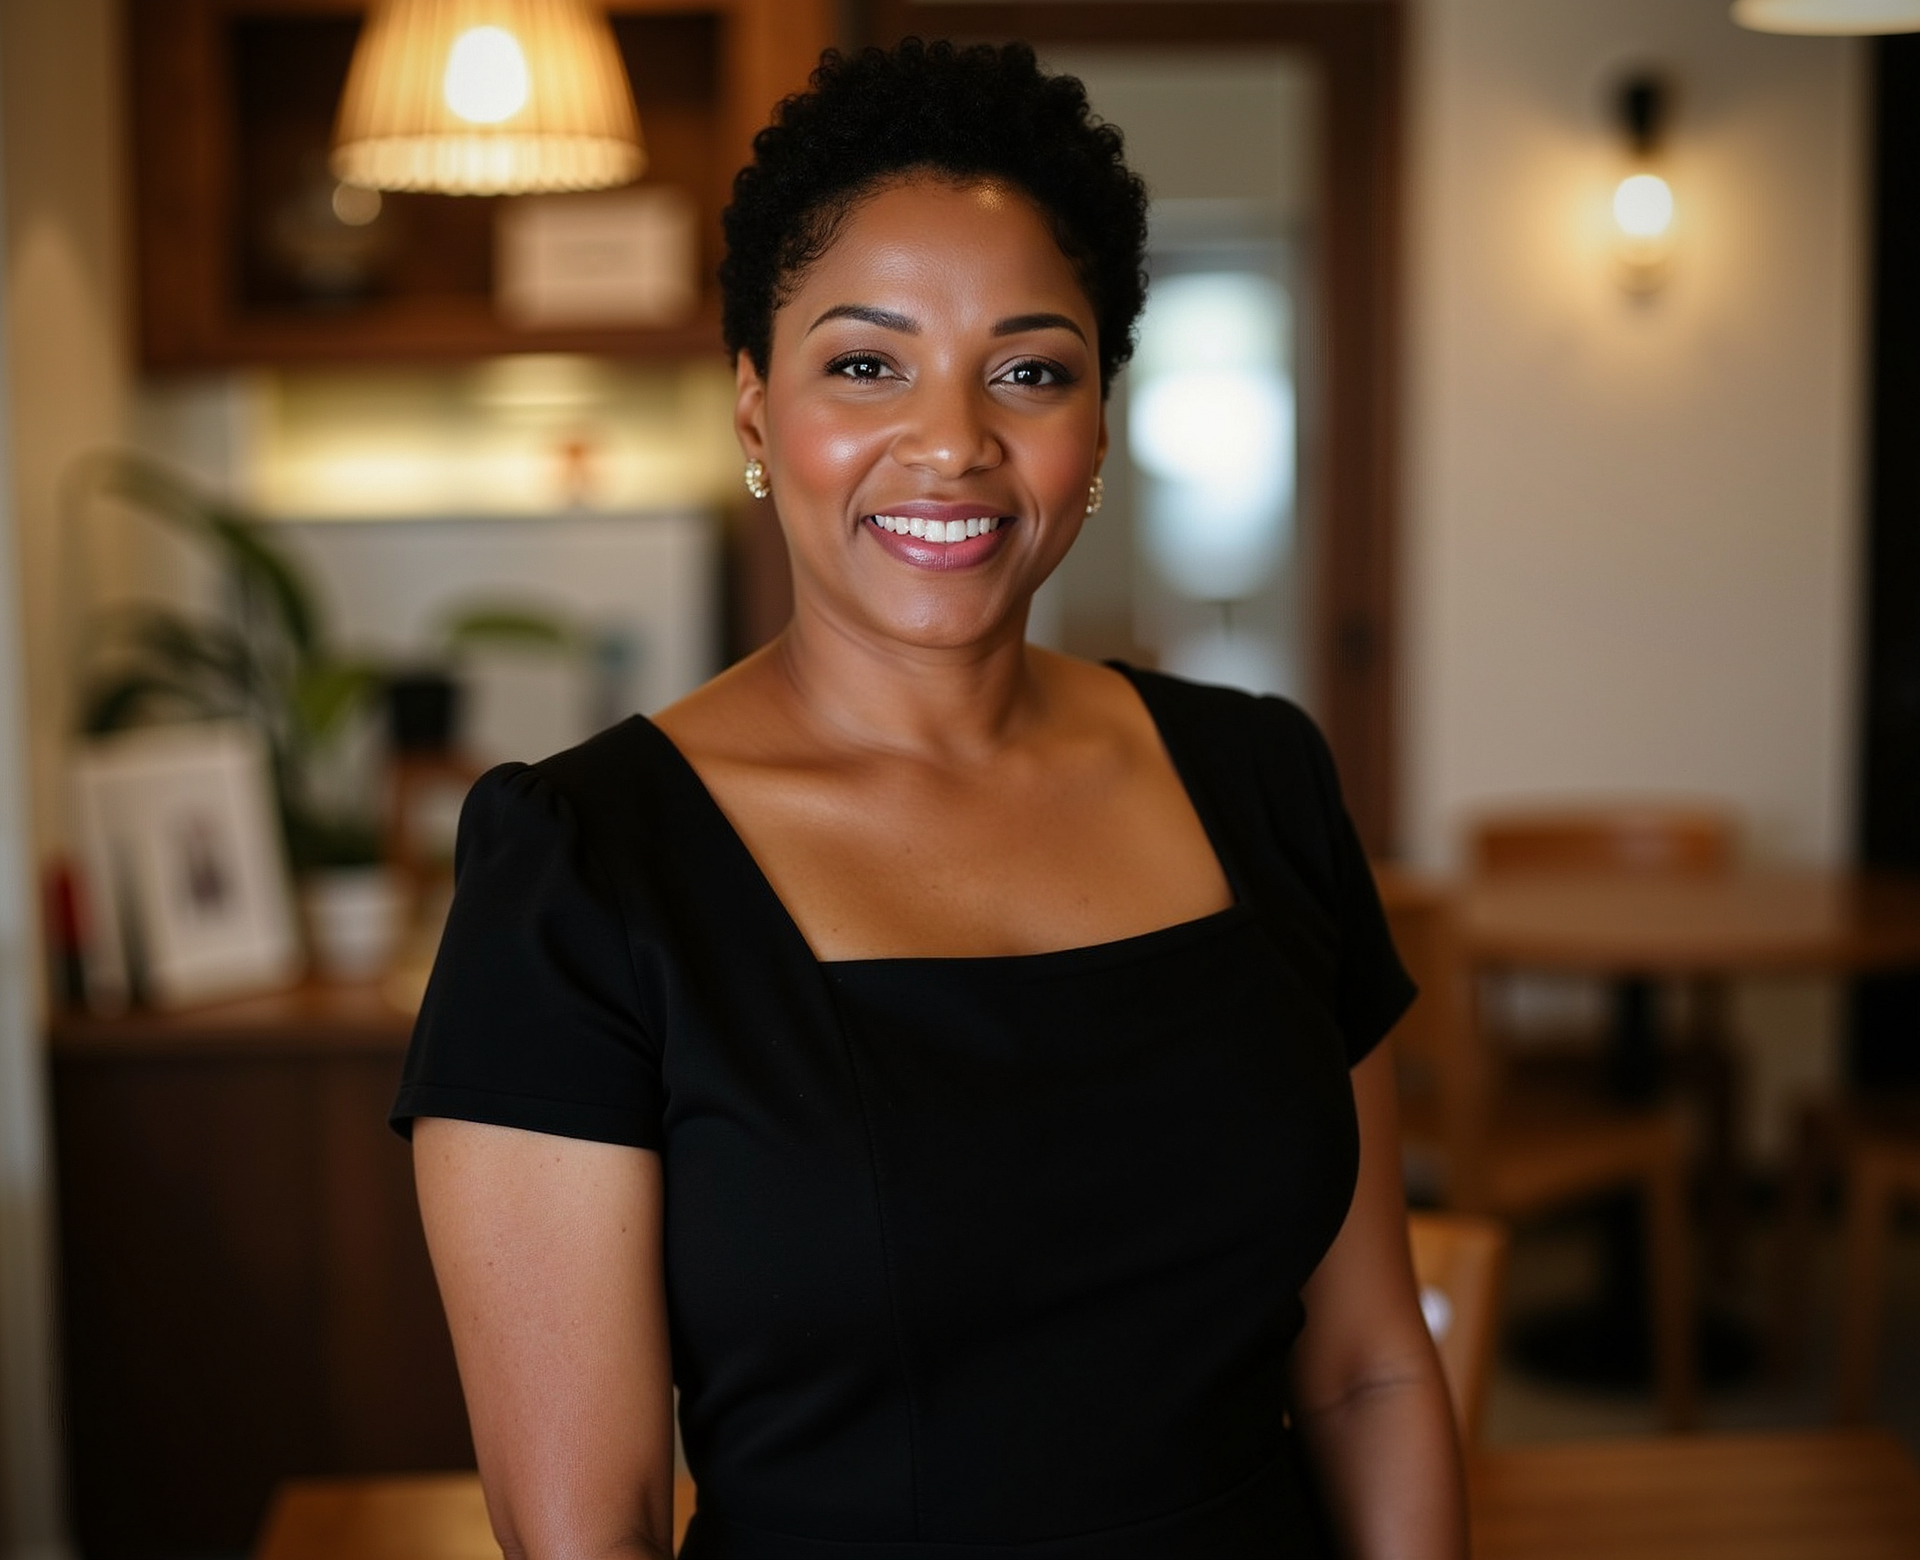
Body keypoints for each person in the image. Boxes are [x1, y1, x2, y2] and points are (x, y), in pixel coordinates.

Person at [393, 38, 1467, 1560]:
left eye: (1029, 368)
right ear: (759, 416)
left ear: (1098, 429)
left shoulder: (1261, 778)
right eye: (866, 361)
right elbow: (593, 1533)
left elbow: (1365, 1373)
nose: (954, 442)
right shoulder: (585, 870)